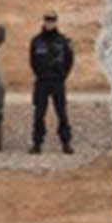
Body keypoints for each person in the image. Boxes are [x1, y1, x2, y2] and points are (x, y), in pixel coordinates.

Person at [28, 10, 74, 154]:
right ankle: (37, 144)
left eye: (52, 20)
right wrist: (40, 74)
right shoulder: (36, 41)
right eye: (47, 20)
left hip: (57, 82)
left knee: (61, 113)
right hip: (42, 82)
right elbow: (32, 61)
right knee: (39, 113)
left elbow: (69, 61)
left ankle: (66, 143)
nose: (49, 23)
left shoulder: (63, 41)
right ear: (44, 21)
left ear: (56, 22)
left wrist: (62, 76)